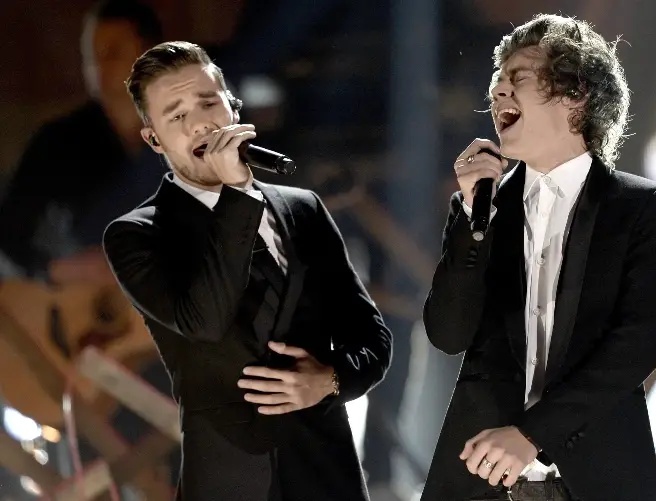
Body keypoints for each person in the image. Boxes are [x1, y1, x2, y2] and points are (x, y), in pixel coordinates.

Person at [102, 41, 393, 501]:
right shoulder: (137, 235)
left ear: (233, 107)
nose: (200, 123)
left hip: (326, 474)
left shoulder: (303, 209)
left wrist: (331, 379)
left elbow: (371, 336)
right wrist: (237, 194)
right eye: (177, 116)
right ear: (154, 139)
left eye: (208, 102)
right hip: (228, 480)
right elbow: (204, 320)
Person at [422, 14, 656, 501]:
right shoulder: (481, 209)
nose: (498, 91)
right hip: (478, 480)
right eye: (497, 81)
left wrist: (531, 434)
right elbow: (447, 333)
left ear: (575, 95)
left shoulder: (644, 208)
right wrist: (472, 220)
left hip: (597, 477)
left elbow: (637, 344)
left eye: (517, 77)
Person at [0, 0, 165, 279]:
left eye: (113, 53)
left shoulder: (192, 132)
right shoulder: (58, 142)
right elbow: (9, 231)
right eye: (92, 55)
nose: (100, 66)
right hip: (90, 295)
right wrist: (60, 269)